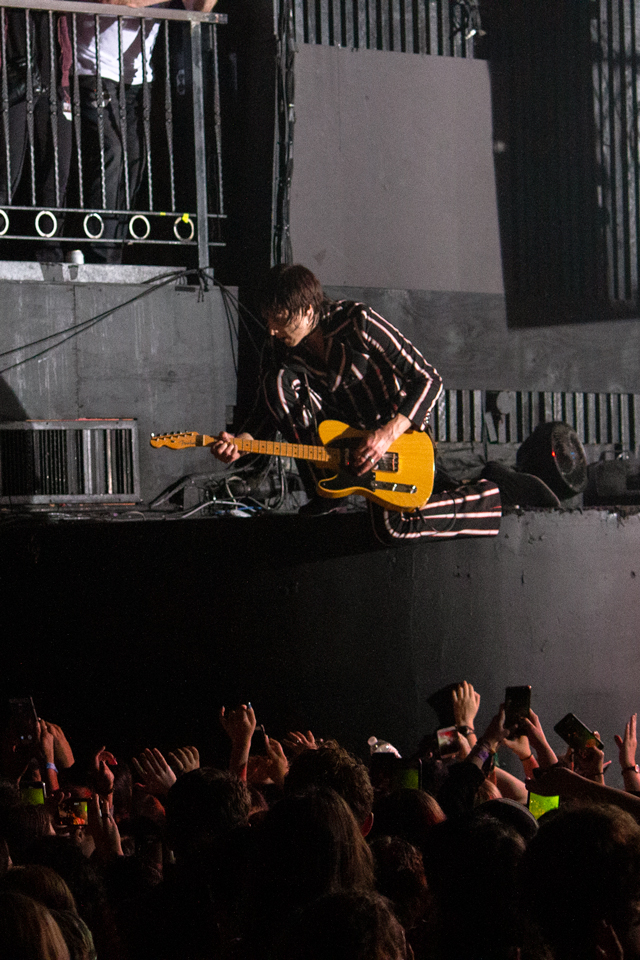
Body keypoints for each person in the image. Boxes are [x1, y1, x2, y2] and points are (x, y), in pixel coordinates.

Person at [212, 263, 503, 544]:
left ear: (308, 311)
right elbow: (266, 412)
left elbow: (429, 379)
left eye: (281, 320)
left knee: (394, 529)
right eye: (269, 321)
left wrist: (386, 435)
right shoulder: (279, 347)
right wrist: (242, 442)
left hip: (393, 439)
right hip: (344, 442)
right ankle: (327, 492)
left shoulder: (358, 323)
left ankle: (483, 500)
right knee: (275, 384)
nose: (272, 330)